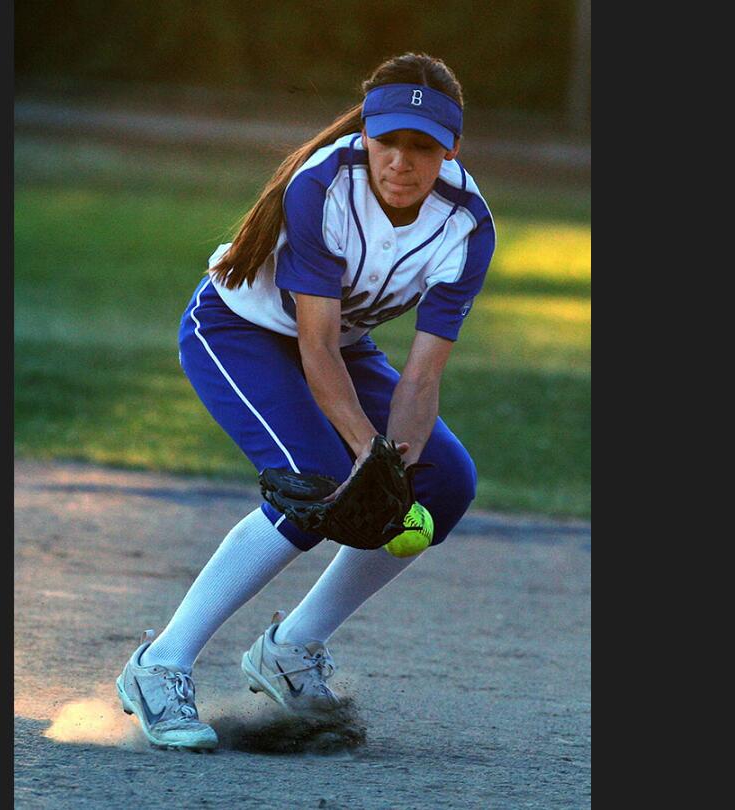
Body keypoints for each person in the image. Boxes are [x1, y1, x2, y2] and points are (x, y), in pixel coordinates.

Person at [114, 52, 494, 751]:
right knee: (316, 483)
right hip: (240, 333)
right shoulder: (322, 184)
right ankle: (158, 663)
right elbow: (313, 348)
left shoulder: (465, 225)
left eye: (424, 147)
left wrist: (399, 464)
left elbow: (420, 377)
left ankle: (292, 648)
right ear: (366, 135)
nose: (402, 162)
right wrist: (367, 455)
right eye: (389, 141)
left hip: (343, 350)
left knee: (445, 482)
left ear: (452, 150)